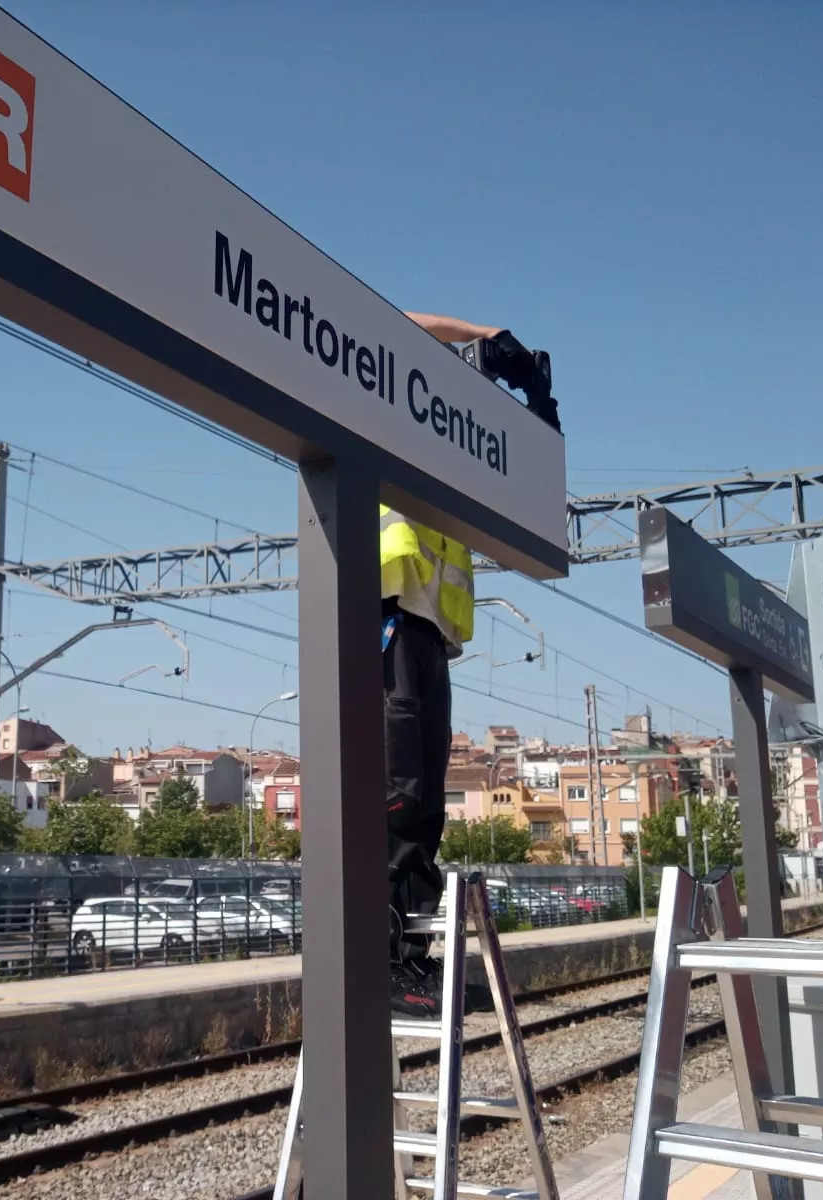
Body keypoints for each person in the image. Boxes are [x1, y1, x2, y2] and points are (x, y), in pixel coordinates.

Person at [384, 312, 496, 1018]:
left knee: (426, 806)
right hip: (382, 611)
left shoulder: (448, 444)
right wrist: (484, 335)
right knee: (394, 795)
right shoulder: (384, 393)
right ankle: (385, 962)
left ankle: (415, 963)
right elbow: (392, 324)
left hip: (429, 632)